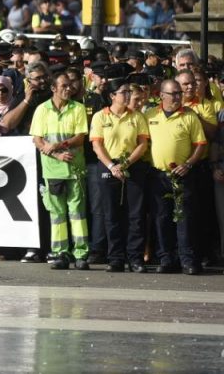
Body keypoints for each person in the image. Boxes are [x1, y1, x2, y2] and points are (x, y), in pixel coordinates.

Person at [88, 78, 151, 273]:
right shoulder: (100, 117)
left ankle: (135, 258)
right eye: (123, 92)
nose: (128, 96)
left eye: (128, 92)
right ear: (112, 96)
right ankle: (115, 257)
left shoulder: (137, 117)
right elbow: (97, 145)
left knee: (136, 214)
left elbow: (142, 144)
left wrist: (125, 164)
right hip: (108, 165)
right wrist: (112, 165)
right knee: (111, 214)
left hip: (131, 165)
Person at [145, 79, 207, 274]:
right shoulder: (150, 115)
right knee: (161, 217)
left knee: (185, 219)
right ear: (162, 95)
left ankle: (187, 260)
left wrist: (188, 164)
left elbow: (200, 144)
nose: (178, 97)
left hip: (182, 174)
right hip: (158, 174)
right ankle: (167, 259)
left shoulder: (189, 115)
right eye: (174, 93)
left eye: (179, 93)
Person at [30, 71, 90, 270]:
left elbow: (80, 137)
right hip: (52, 169)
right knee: (57, 214)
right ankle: (60, 253)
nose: (68, 89)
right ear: (53, 88)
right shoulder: (41, 109)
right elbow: (38, 140)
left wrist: (58, 146)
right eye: (63, 86)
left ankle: (81, 253)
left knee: (77, 213)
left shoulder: (78, 108)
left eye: (70, 85)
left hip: (74, 169)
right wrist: (56, 155)